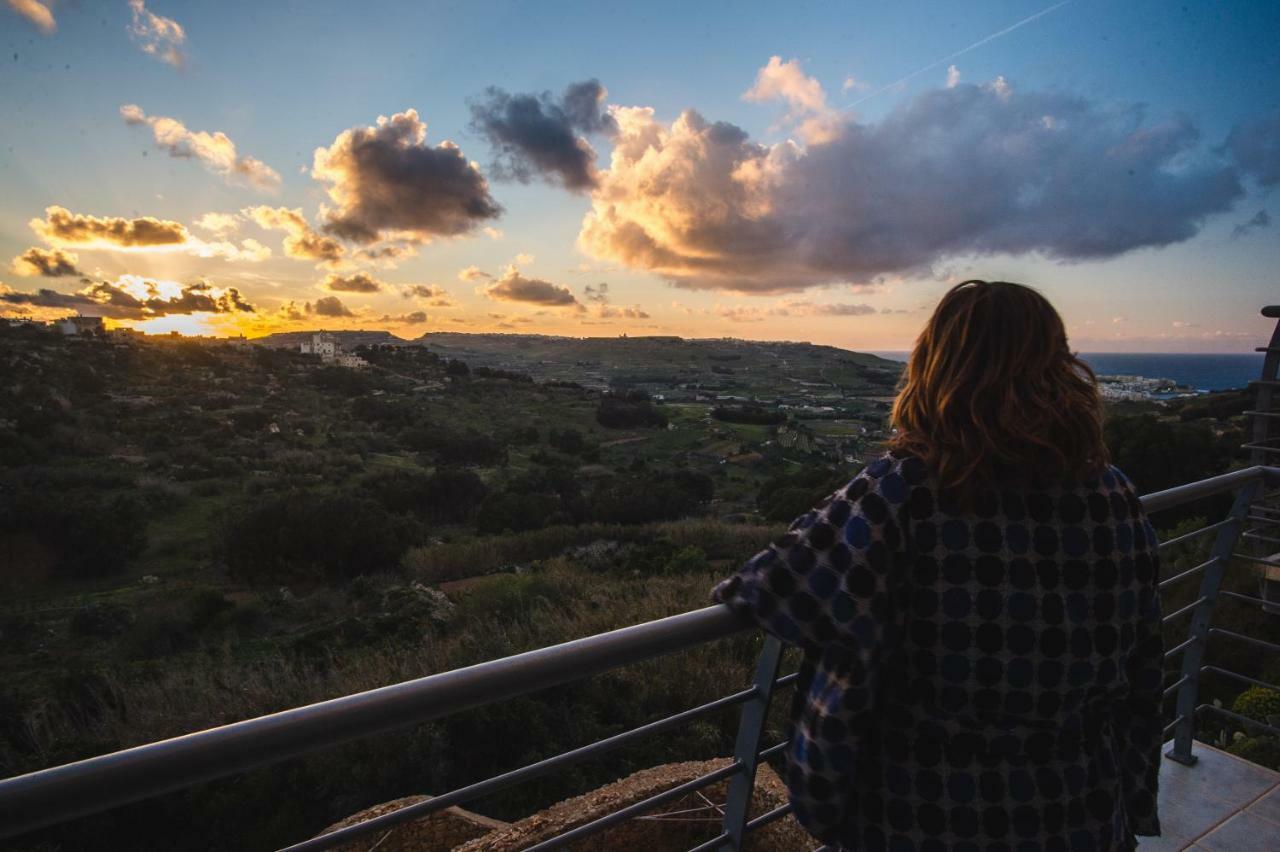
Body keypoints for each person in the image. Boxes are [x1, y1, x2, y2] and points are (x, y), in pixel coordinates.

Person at [714, 280, 1163, 851]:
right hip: (1078, 804)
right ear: (1059, 366)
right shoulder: (1113, 494)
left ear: (936, 364)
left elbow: (776, 585)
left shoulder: (903, 490)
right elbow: (1145, 658)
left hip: (925, 807)